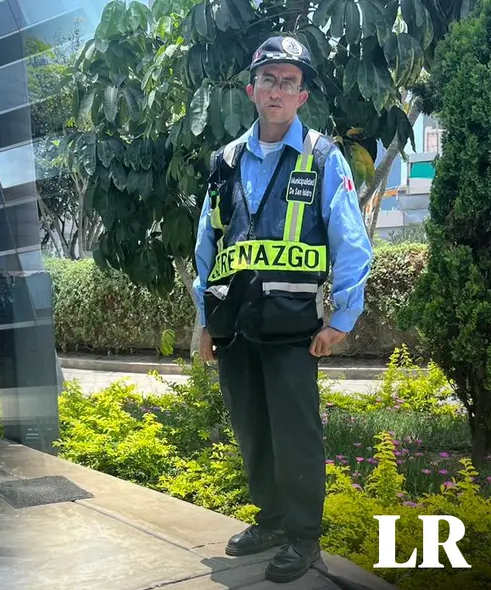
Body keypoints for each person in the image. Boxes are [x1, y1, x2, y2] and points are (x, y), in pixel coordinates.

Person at [193, 36, 373, 583]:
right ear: (252, 90)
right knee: (253, 431)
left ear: (301, 96)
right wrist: (203, 322)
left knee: (295, 436)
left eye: (288, 81)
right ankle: (270, 521)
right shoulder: (225, 162)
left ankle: (303, 538)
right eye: (268, 79)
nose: (277, 89)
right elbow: (208, 247)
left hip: (294, 328)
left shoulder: (322, 158)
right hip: (236, 327)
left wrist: (341, 318)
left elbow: (351, 243)